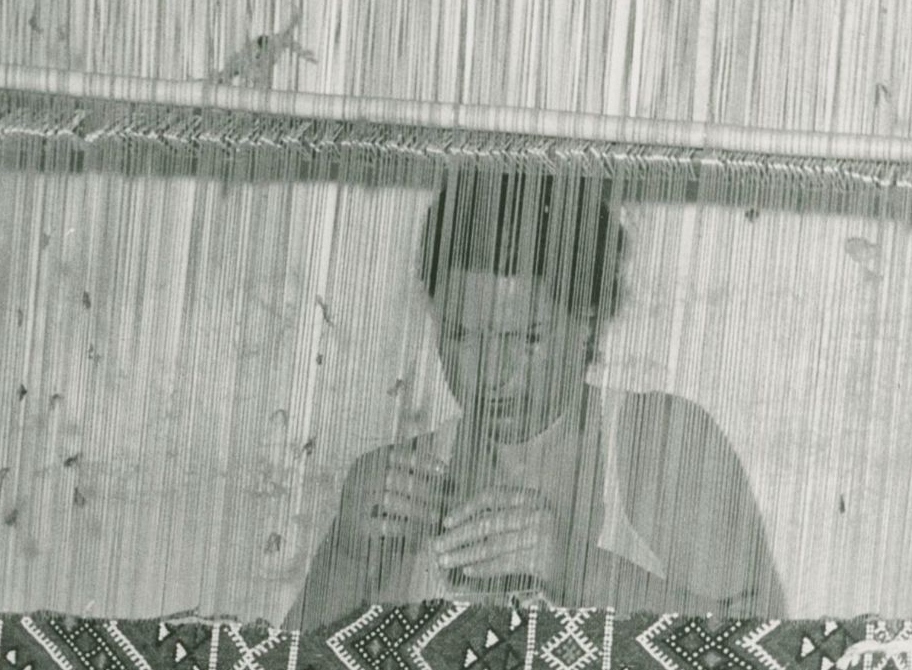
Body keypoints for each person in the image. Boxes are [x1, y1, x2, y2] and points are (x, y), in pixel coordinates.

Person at [288, 171, 784, 630]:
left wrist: (574, 567)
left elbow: (765, 659)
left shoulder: (663, 443)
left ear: (586, 324)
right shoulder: (400, 482)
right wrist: (348, 556)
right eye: (462, 335)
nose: (490, 373)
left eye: (526, 339)